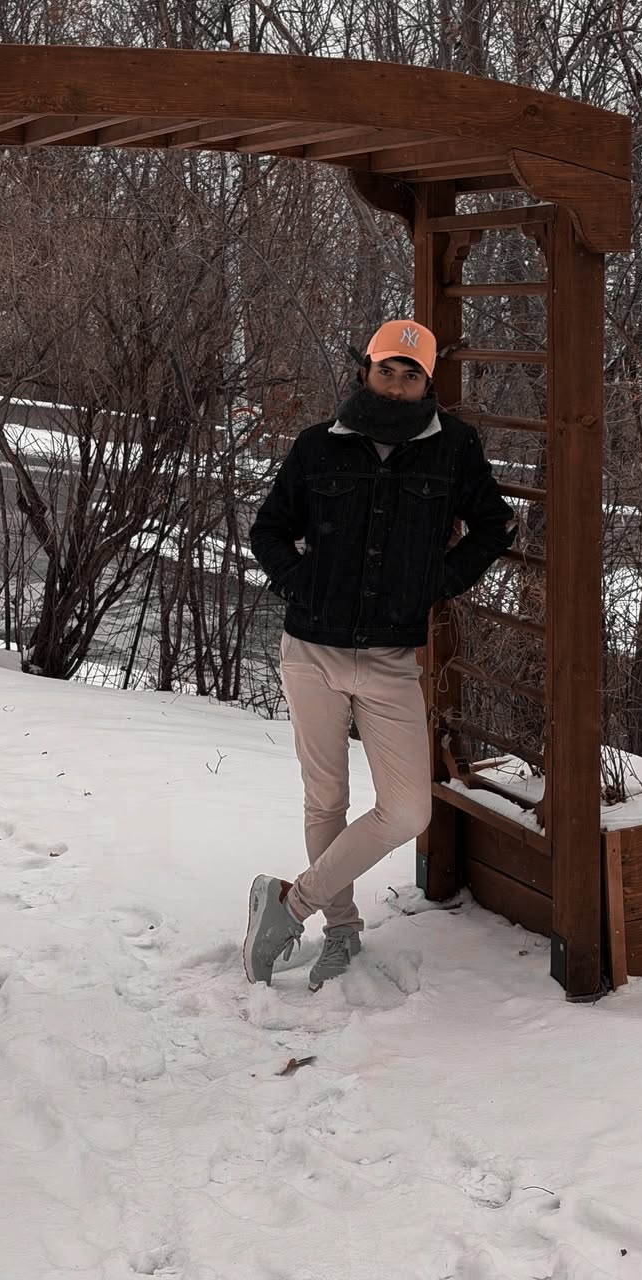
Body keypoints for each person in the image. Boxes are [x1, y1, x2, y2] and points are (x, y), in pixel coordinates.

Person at [244, 319, 516, 989]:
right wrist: (300, 582)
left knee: (407, 810)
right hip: (312, 650)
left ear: (428, 383)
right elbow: (269, 528)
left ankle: (289, 904)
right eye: (386, 369)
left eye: (410, 374)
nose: (396, 385)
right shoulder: (319, 446)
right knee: (326, 798)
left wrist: (437, 582)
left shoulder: (453, 448)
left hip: (392, 658)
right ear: (364, 369)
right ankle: (340, 928)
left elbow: (494, 525)